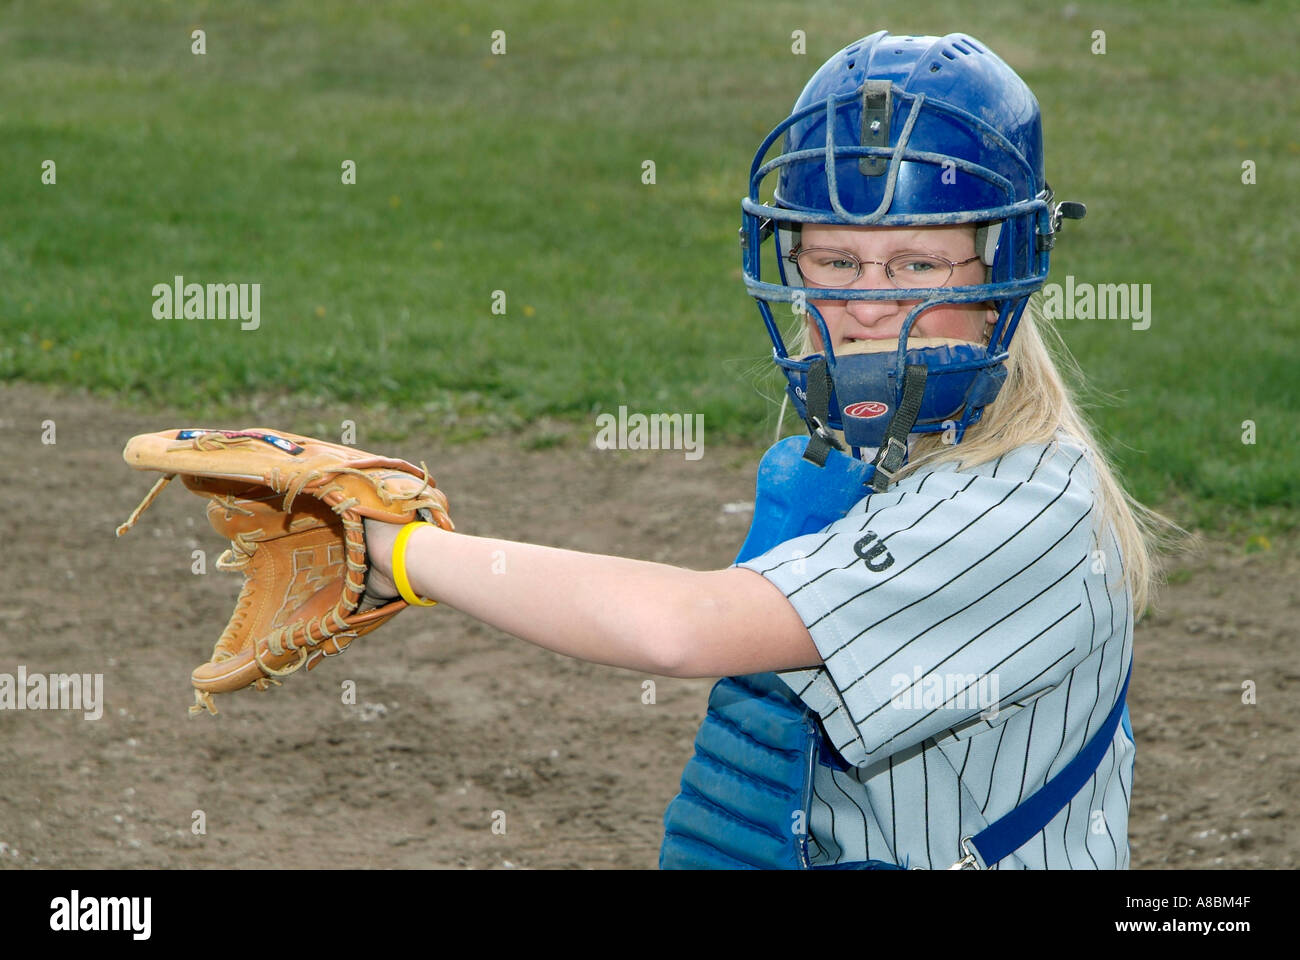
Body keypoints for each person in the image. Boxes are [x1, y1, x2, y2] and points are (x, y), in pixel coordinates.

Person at [362, 30, 1171, 869]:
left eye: (917, 263)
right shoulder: (875, 449)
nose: (866, 303)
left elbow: (679, 631)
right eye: (835, 260)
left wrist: (401, 553)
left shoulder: (1020, 507)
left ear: (1010, 265)